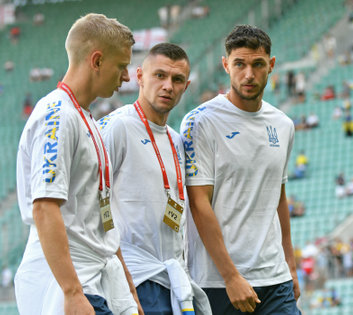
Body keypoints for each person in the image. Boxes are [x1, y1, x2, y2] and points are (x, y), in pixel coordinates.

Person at [14, 13, 141, 315]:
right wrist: (71, 292)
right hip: (72, 282)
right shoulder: (56, 115)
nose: (126, 77)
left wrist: (128, 287)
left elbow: (101, 215)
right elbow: (44, 207)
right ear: (96, 61)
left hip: (99, 276)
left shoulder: (87, 118)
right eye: (122, 66)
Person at [180, 24, 301, 314]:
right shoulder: (200, 123)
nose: (249, 74)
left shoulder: (283, 124)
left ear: (270, 65)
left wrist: (290, 264)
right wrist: (231, 276)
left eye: (258, 64)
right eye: (239, 64)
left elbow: (278, 197)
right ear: (225, 65)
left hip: (274, 278)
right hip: (217, 282)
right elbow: (199, 204)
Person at [99, 43, 211, 315]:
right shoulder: (118, 127)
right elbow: (95, 200)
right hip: (135, 278)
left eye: (177, 79)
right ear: (139, 76)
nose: (168, 86)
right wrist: (117, 267)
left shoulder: (176, 140)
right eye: (159, 75)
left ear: (186, 86)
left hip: (170, 278)